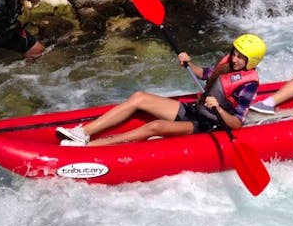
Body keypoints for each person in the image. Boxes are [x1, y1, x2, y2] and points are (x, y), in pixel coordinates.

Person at [56, 34, 267, 147]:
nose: (235, 58)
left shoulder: (249, 84)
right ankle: (83, 134)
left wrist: (219, 109)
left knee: (154, 126)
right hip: (195, 109)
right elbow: (205, 74)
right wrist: (188, 63)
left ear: (252, 61)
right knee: (139, 97)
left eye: (241, 57)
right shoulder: (228, 64)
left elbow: (237, 123)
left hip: (209, 125)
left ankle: (93, 147)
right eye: (235, 53)